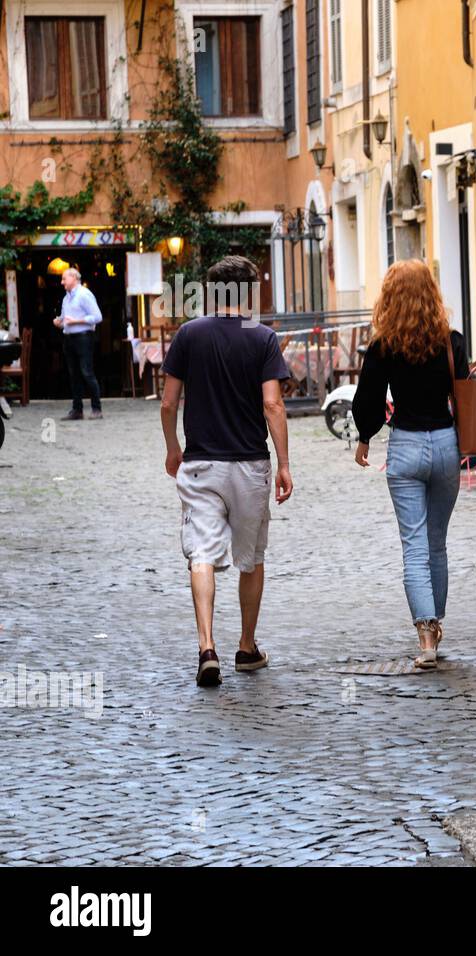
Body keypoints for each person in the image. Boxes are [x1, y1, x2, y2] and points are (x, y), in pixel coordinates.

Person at [159, 256, 293, 687]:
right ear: (248, 292)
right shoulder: (263, 338)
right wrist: (284, 463)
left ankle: (206, 647)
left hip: (200, 464)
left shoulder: (188, 335)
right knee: (251, 560)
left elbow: (167, 402)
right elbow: (272, 404)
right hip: (250, 464)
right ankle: (247, 647)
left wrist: (173, 448)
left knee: (201, 555)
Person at [353, 260, 468, 670]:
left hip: (405, 447)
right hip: (445, 444)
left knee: (415, 546)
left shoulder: (383, 346)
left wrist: (365, 436)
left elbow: (368, 399)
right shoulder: (451, 341)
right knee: (437, 542)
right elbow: (465, 393)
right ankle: (435, 626)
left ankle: (426, 638)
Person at [54, 267, 103, 420]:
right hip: (69, 339)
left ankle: (97, 408)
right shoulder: (66, 298)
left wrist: (77, 321)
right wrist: (59, 322)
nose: (62, 282)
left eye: (64, 279)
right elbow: (65, 320)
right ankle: (77, 410)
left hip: (83, 338)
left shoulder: (84, 295)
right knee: (73, 374)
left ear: (74, 278)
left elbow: (97, 317)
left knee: (86, 372)